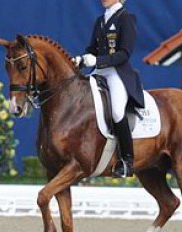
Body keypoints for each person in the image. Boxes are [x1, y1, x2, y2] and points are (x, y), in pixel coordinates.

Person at [73, 0, 144, 177]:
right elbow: (92, 49)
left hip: (116, 73)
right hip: (98, 72)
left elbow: (124, 53)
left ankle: (127, 161)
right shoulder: (100, 20)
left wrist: (98, 61)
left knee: (117, 112)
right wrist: (82, 60)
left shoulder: (126, 18)